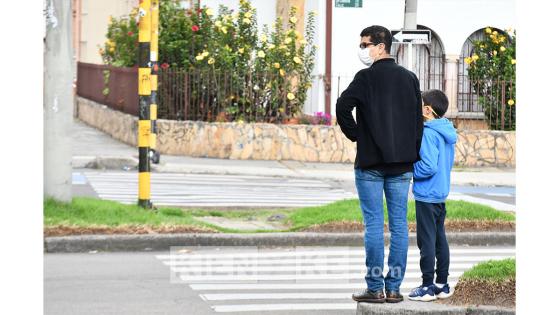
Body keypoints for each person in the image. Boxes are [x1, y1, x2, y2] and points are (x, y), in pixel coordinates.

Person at [336, 25, 423, 304]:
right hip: (401, 166)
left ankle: (375, 289)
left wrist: (357, 135)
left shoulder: (366, 77)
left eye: (366, 45)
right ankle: (394, 289)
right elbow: (417, 121)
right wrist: (410, 151)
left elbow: (342, 105)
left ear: (381, 46)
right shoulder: (409, 78)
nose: (363, 50)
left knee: (373, 225)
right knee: (399, 227)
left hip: (370, 164)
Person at [408, 89, 457, 302]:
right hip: (439, 194)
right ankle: (442, 284)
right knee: (439, 239)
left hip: (427, 195)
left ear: (428, 110)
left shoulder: (429, 132)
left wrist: (410, 169)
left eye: (420, 105)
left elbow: (428, 166)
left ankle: (427, 286)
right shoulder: (447, 131)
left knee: (425, 241)